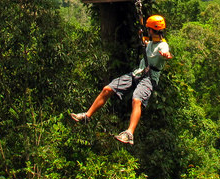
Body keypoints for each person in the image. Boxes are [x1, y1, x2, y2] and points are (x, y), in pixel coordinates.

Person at [70, 14, 173, 145]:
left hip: (149, 79)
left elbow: (166, 52)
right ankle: (87, 116)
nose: (148, 31)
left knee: (137, 100)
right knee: (107, 89)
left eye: (149, 29)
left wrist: (166, 55)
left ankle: (129, 133)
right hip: (137, 74)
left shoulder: (163, 46)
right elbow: (146, 40)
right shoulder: (151, 42)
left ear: (152, 30)